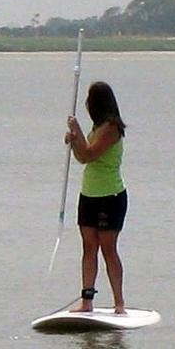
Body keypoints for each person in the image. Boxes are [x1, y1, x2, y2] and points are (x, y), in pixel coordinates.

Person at [65, 81, 128, 313]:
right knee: (88, 246)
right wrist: (74, 141)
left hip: (110, 195)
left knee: (108, 247)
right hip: (89, 194)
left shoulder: (111, 128)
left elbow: (91, 153)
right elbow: (83, 157)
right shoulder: (97, 127)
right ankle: (87, 300)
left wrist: (78, 132)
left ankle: (119, 302)